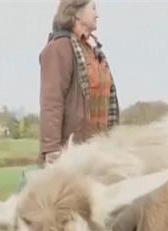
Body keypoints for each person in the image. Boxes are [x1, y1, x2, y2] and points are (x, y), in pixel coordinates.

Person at [37, 0, 119, 166]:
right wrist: (52, 149)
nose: (97, 15)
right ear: (77, 13)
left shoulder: (93, 51)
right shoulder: (59, 49)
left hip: (99, 150)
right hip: (72, 153)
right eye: (93, 8)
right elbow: (52, 102)